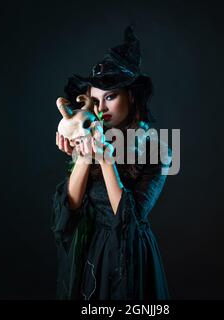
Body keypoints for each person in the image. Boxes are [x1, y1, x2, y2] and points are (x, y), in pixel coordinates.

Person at [52, 24, 171, 300]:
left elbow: (129, 220)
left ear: (130, 95)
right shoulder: (91, 134)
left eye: (111, 96)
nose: (101, 108)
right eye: (95, 100)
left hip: (127, 259)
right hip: (88, 252)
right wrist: (83, 155)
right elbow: (69, 209)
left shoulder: (156, 149)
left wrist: (106, 160)